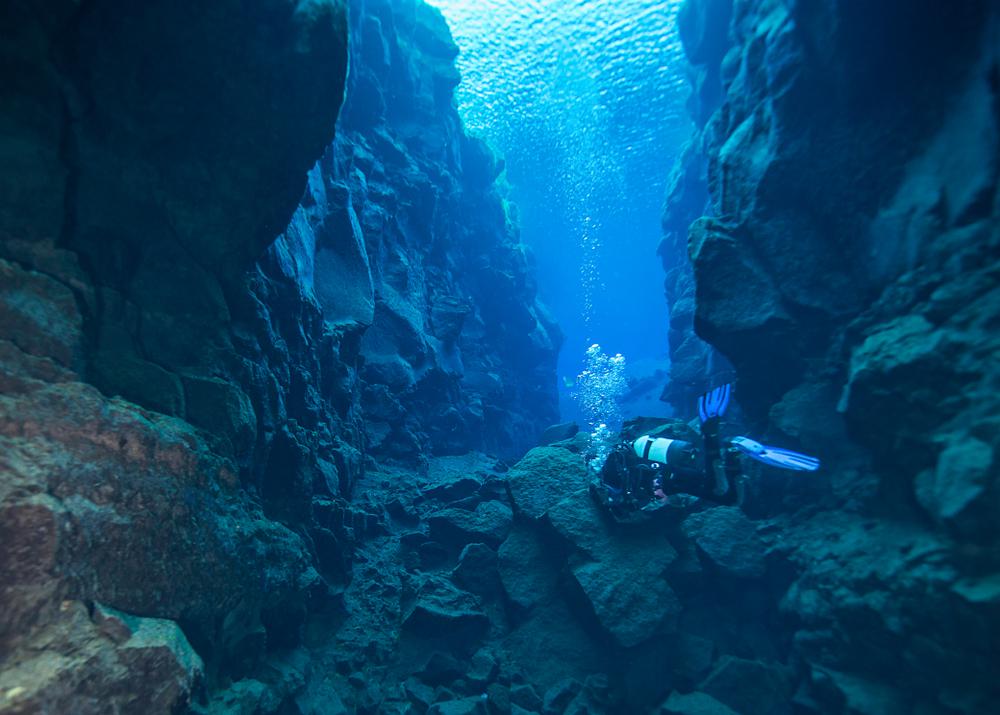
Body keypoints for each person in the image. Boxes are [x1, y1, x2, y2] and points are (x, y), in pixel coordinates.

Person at [594, 384, 819, 515]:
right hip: (672, 466)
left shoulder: (609, 475)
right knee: (723, 494)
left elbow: (627, 495)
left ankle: (722, 446)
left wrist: (656, 496)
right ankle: (729, 452)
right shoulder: (622, 458)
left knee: (724, 496)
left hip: (667, 478)